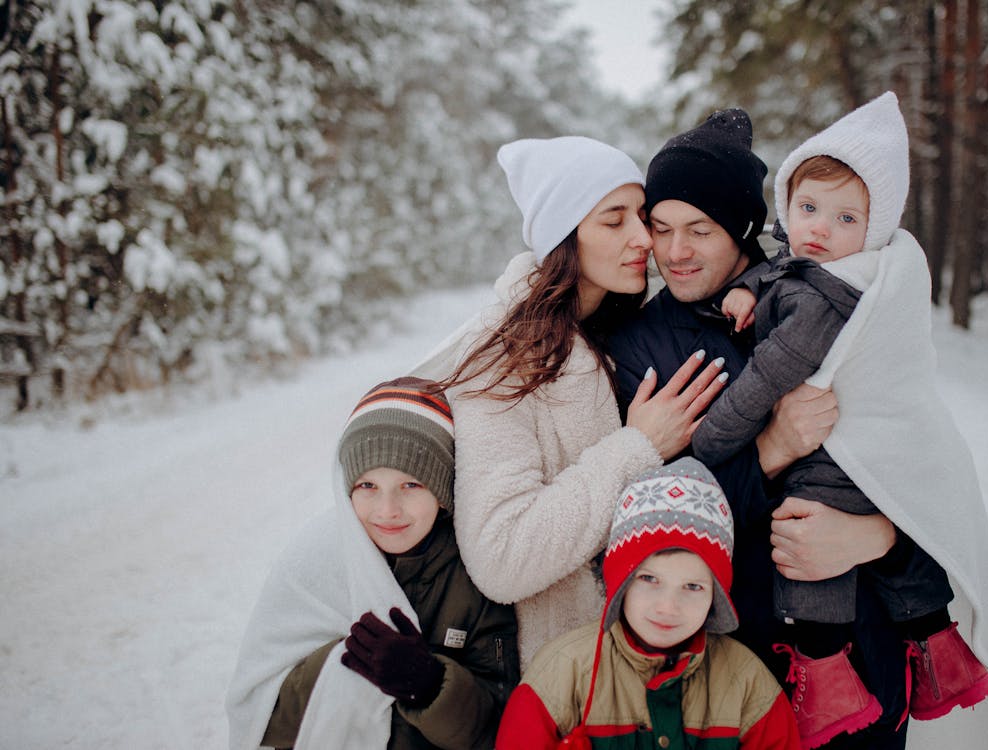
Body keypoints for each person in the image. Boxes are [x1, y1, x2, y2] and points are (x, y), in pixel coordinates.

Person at [607, 106, 988, 750]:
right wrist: (771, 450)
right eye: (662, 228)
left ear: (744, 227)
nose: (675, 253)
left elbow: (916, 460)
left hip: (867, 652)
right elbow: (639, 530)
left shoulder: (853, 308)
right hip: (737, 663)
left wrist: (880, 538)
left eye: (699, 229)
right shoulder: (641, 347)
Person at [689, 92, 988, 748]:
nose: (820, 229)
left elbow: (767, 376)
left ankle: (829, 672)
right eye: (807, 208)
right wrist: (750, 287)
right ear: (781, 211)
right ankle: (932, 645)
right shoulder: (819, 270)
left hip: (843, 472)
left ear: (876, 228)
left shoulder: (829, 298)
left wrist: (714, 436)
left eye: (845, 216)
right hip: (752, 634)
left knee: (814, 533)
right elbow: (787, 263)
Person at [411, 135, 729, 669]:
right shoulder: (507, 358)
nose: (643, 238)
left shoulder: (614, 331)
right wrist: (638, 447)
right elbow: (501, 555)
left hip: (642, 660)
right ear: (565, 235)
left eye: (641, 216)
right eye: (613, 220)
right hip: (563, 678)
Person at [226, 377, 519, 750]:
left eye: (412, 485)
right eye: (367, 486)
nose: (387, 510)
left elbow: (497, 730)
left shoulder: (474, 575)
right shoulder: (314, 563)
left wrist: (429, 685)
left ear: (443, 491)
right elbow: (260, 717)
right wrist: (345, 666)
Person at [495, 457, 801, 749]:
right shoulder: (563, 673)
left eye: (692, 586)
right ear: (621, 582)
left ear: (715, 596)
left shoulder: (747, 683)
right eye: (649, 580)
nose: (668, 607)